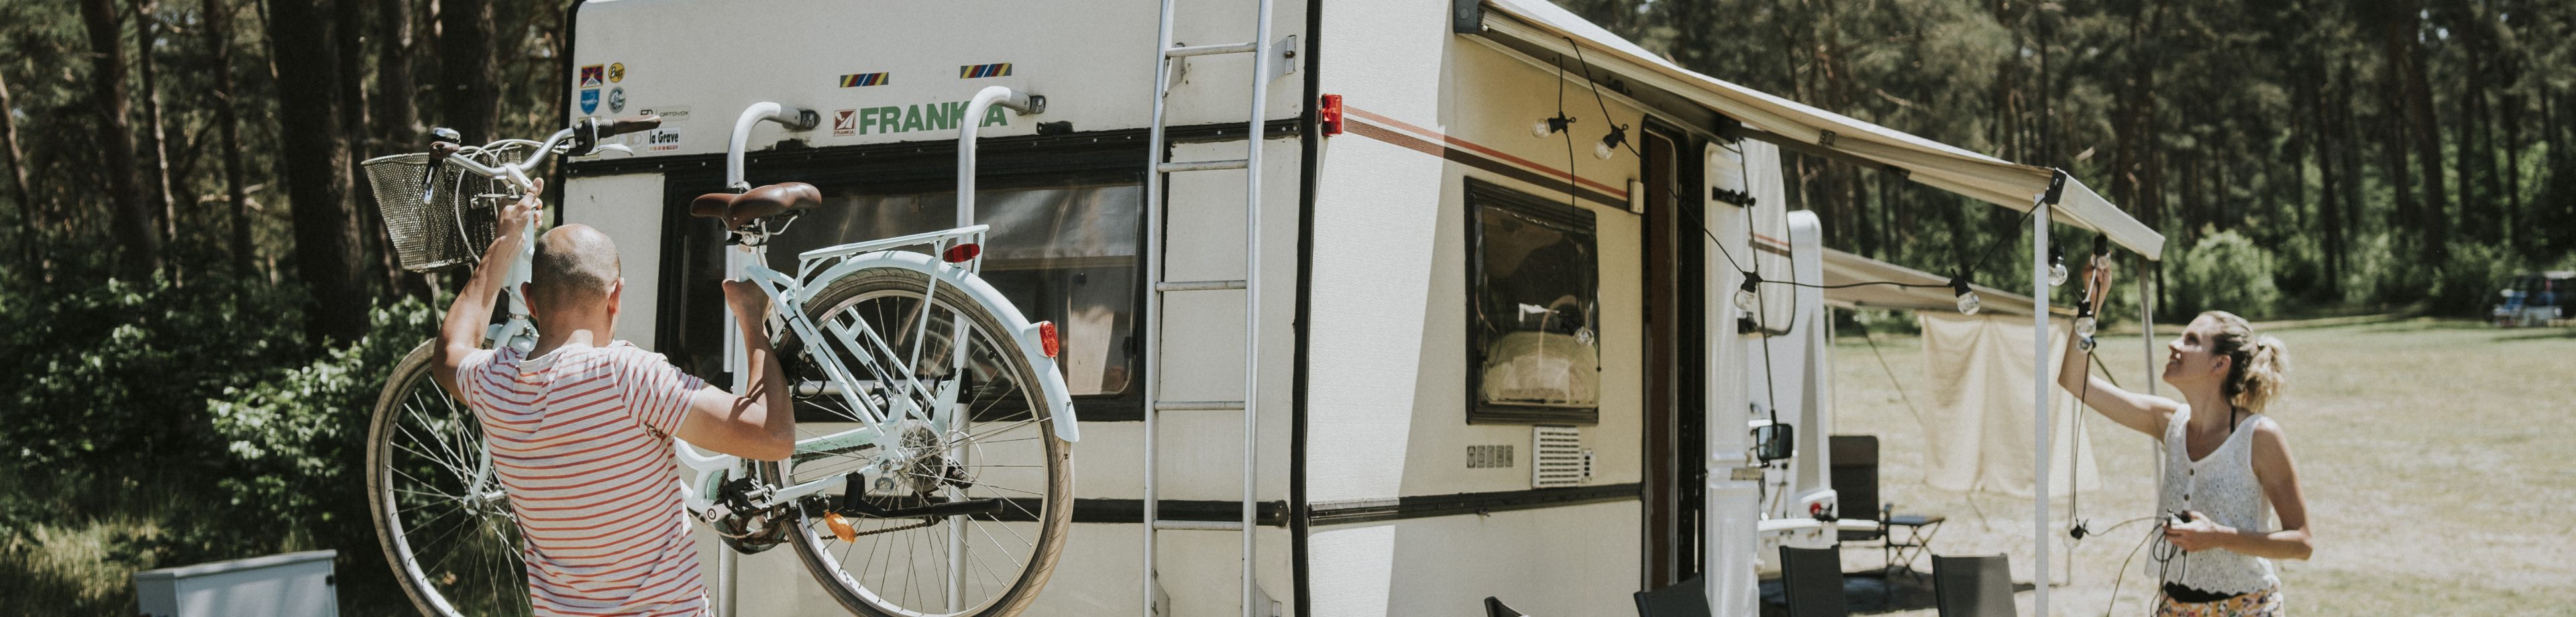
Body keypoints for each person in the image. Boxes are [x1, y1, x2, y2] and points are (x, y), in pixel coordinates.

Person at [431, 180, 794, 616]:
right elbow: (772, 435)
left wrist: (505, 240)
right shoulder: (627, 377)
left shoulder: (495, 385)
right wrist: (752, 318)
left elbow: (450, 352)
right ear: (616, 296)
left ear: (528, 300)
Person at [2055, 256, 2312, 616]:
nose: (2174, 344)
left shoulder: (2259, 436)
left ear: (2219, 364)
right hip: (2174, 607)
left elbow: (2301, 543)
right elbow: (2073, 379)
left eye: (2191, 340)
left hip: (2247, 609)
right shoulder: (2168, 421)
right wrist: (2092, 301)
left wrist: (2217, 538)